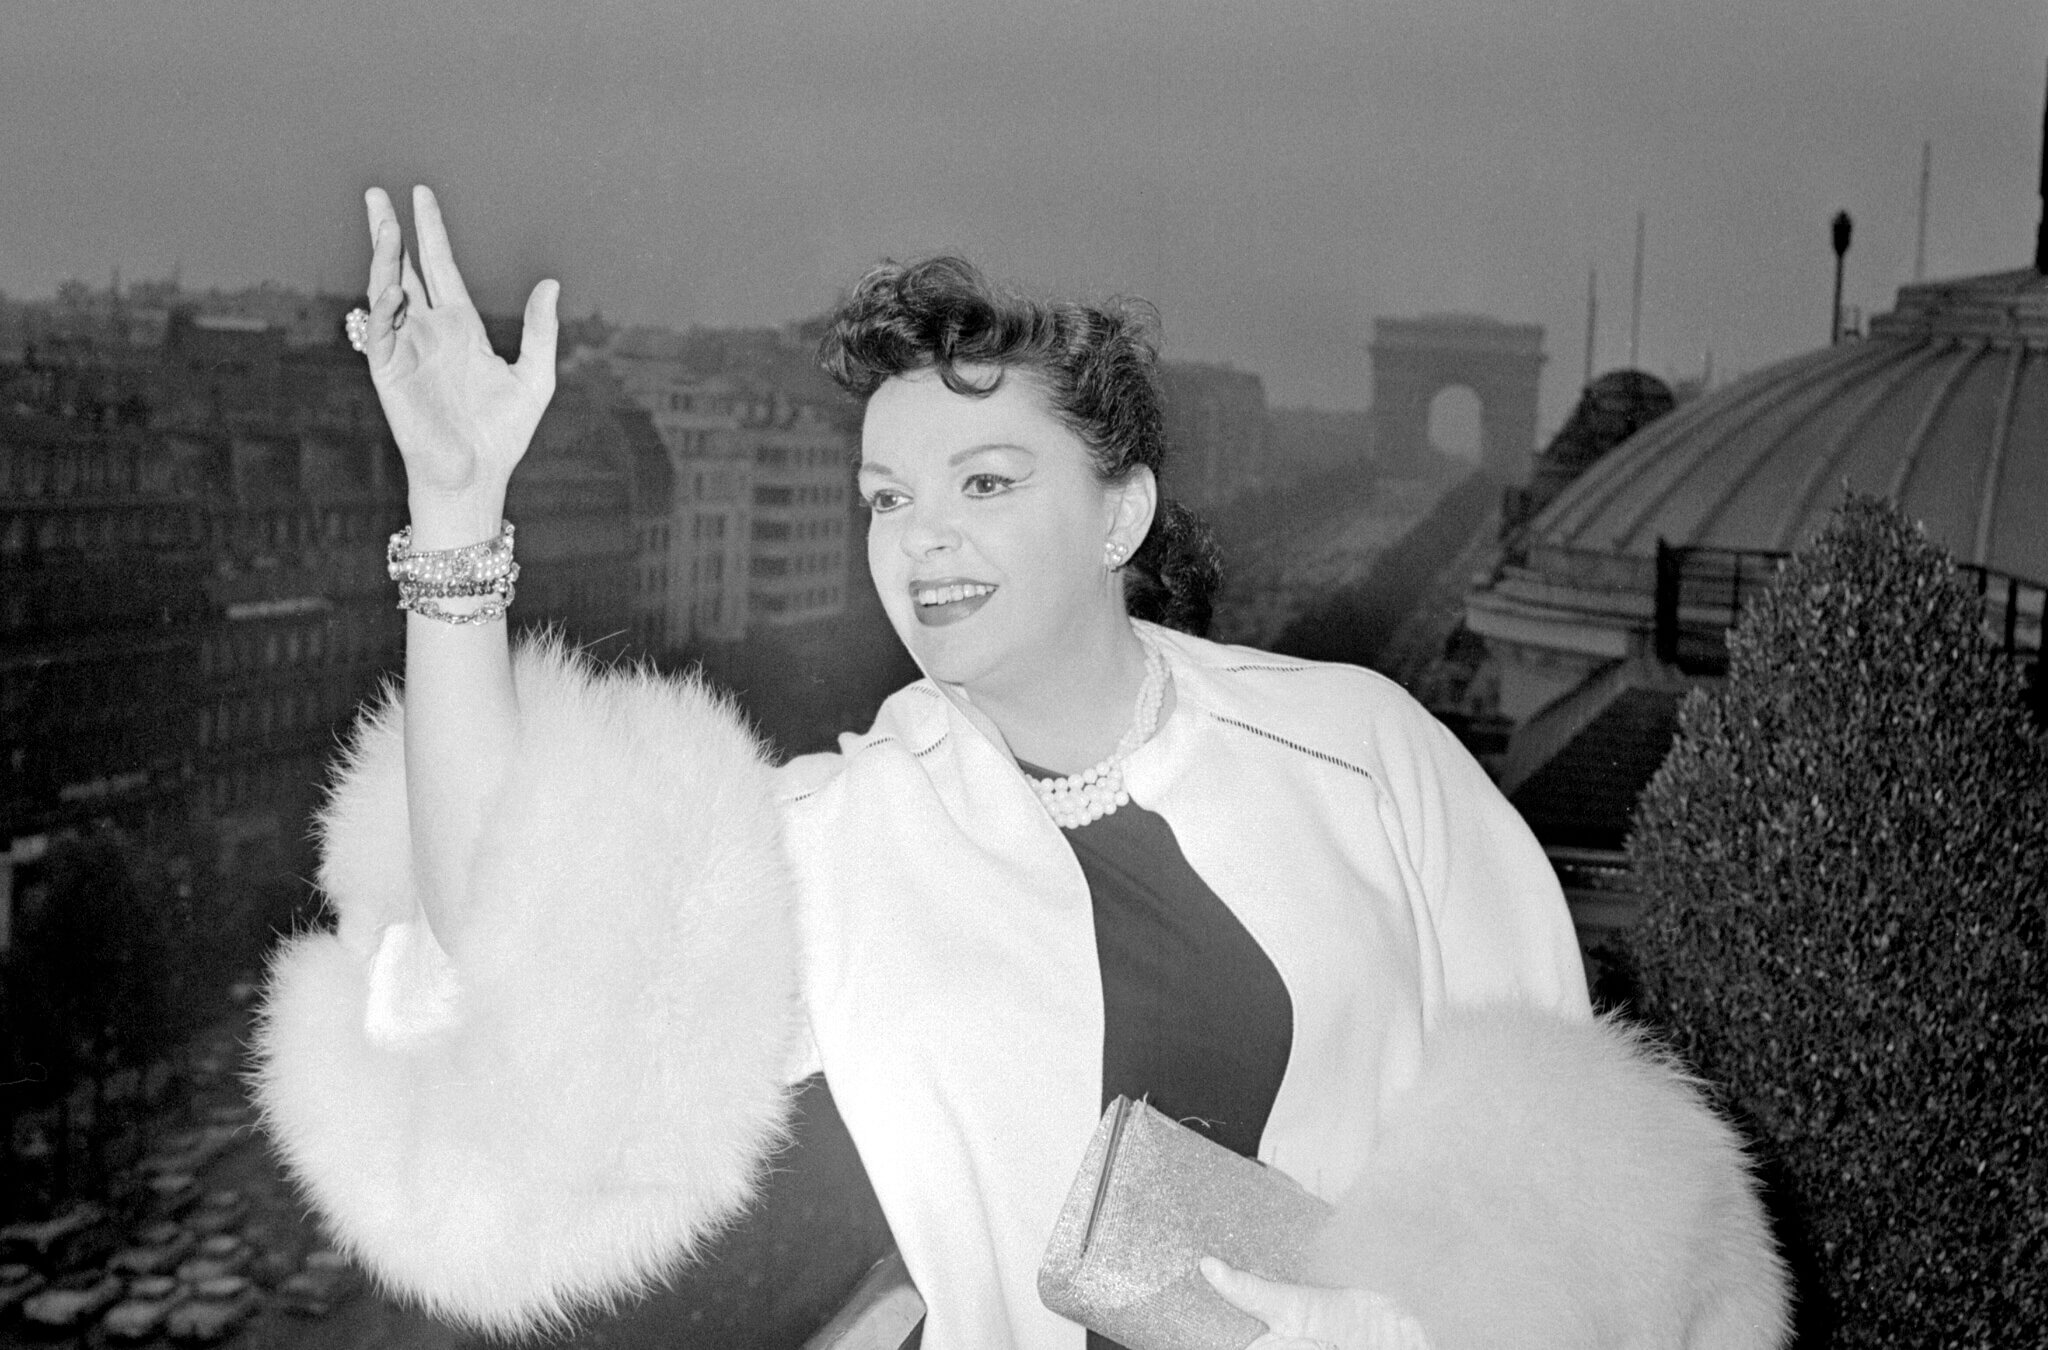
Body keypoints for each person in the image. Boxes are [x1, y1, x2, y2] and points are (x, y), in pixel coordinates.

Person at [255, 185, 1791, 1350]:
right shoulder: (838, 835)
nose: (918, 537)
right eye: (884, 495)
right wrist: (455, 523)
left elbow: (1591, 1209)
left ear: (1119, 512)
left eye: (985, 481)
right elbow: (510, 979)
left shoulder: (1364, 755)